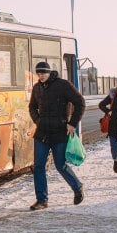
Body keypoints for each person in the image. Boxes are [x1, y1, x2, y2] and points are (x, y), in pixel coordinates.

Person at [28, 61, 86, 211]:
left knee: (60, 165)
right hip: (42, 134)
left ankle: (77, 186)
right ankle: (42, 200)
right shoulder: (37, 88)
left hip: (60, 132)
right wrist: (37, 120)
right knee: (39, 166)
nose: (40, 76)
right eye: (38, 73)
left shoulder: (63, 85)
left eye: (43, 73)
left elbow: (80, 102)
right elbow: (32, 107)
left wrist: (73, 123)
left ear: (49, 72)